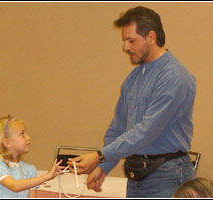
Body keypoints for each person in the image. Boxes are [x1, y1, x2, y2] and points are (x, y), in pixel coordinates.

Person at [68, 6, 197, 198]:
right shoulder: (133, 79)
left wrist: (99, 157)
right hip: (137, 175)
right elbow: (118, 128)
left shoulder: (175, 76)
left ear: (151, 37)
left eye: (131, 40)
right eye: (125, 41)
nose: (125, 47)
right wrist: (104, 166)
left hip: (168, 176)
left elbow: (148, 130)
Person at [0, 115, 65, 198]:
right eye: (22, 134)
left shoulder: (30, 170)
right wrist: (46, 177)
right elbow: (15, 186)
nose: (28, 137)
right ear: (7, 142)